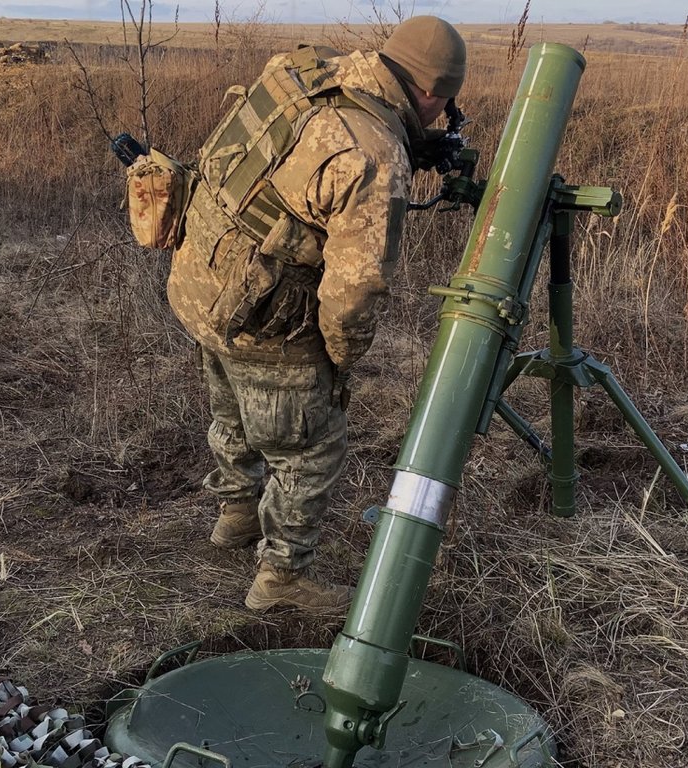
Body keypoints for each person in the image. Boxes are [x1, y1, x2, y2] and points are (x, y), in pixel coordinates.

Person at [166, 16, 467, 612]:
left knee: (232, 408)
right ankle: (281, 578)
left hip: (200, 281)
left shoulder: (304, 69)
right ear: (433, 92)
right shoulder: (372, 154)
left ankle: (234, 515)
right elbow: (355, 289)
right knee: (310, 448)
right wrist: (340, 360)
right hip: (261, 311)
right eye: (446, 103)